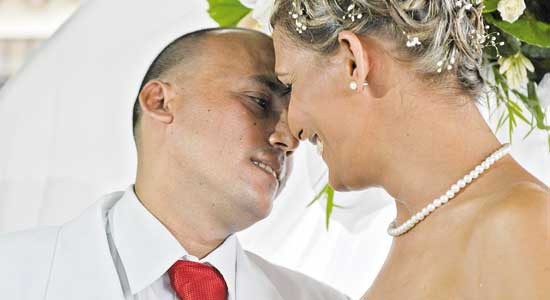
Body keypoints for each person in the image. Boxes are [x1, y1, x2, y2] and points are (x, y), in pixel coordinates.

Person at [0, 27, 350, 300]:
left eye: (294, 123)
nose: (288, 140)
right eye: (259, 101)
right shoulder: (11, 275)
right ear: (160, 101)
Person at [269, 0, 550, 299]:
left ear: (353, 61)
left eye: (290, 85)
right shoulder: (417, 235)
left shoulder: (523, 228)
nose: (292, 126)